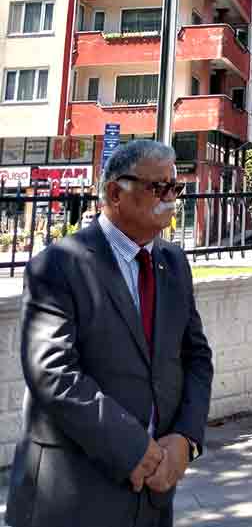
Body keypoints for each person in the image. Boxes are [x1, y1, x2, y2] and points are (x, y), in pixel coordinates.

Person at [6, 139, 213, 527]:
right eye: (159, 188)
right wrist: (132, 448)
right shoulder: (59, 265)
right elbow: (52, 373)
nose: (171, 198)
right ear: (116, 193)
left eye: (175, 187)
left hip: (153, 496)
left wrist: (186, 440)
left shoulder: (173, 262)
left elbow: (196, 357)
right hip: (72, 495)